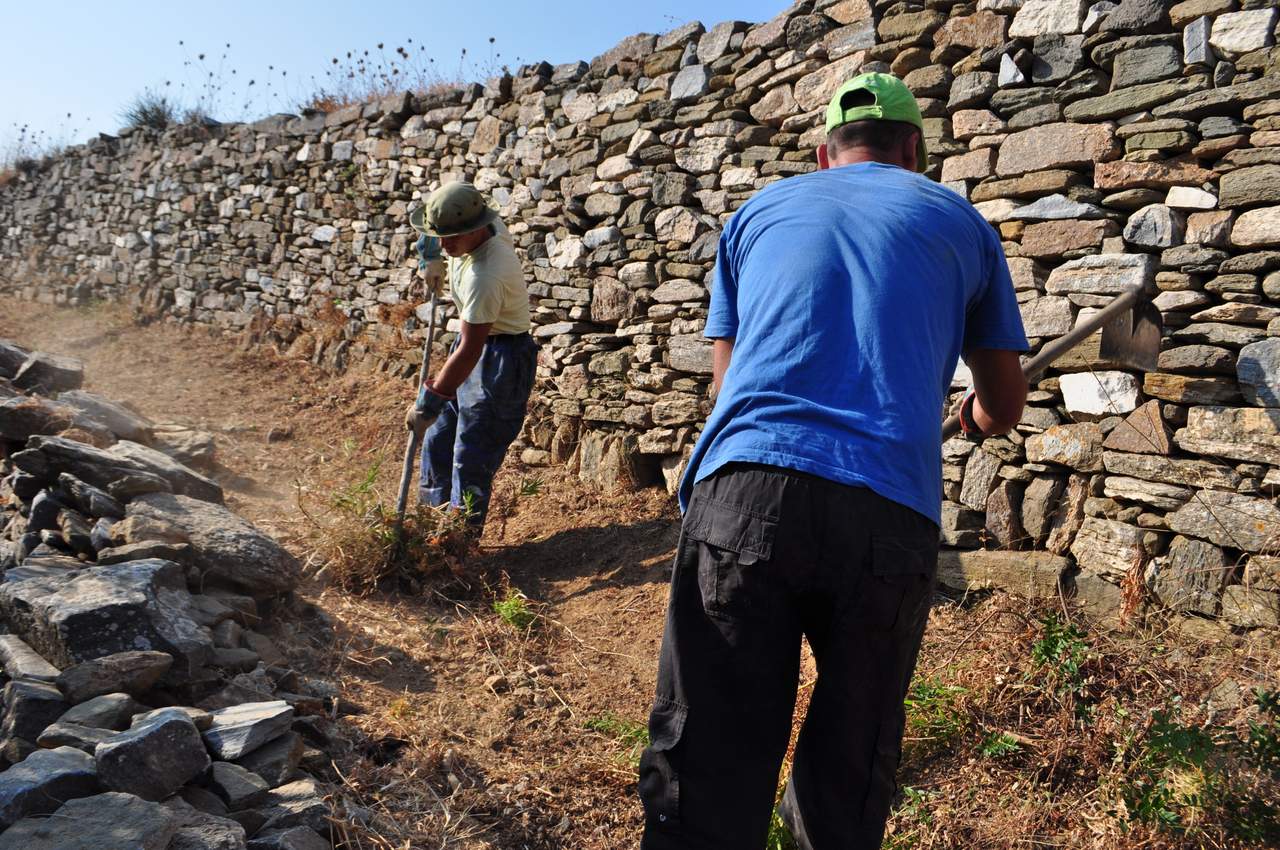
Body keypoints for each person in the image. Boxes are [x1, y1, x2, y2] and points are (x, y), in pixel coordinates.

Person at [637, 73, 1029, 850]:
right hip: (886, 515)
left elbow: (729, 386)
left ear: (823, 153)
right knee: (851, 759)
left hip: (745, 492)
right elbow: (1003, 403)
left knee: (708, 746)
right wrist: (975, 419)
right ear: (913, 148)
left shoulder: (757, 215)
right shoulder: (963, 224)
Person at [405, 182, 538, 533]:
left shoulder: (486, 273)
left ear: (478, 228)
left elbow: (469, 350)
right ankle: (431, 525)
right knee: (438, 441)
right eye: (441, 236)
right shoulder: (472, 229)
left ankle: (458, 543)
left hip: (501, 361)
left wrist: (428, 402)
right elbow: (437, 218)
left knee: (470, 456)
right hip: (473, 349)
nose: (447, 245)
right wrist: (429, 255)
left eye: (453, 238)